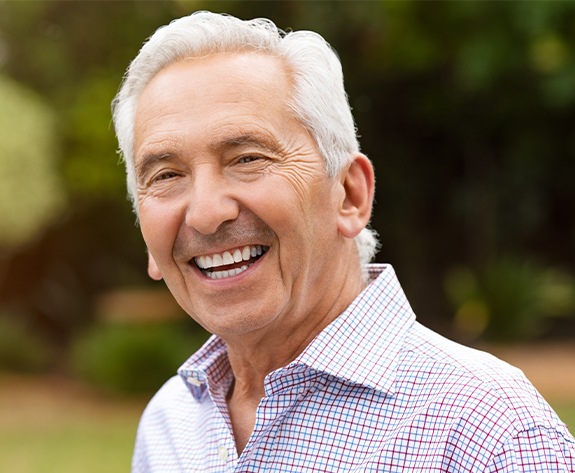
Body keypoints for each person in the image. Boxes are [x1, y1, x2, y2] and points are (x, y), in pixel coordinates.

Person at [112, 11, 575, 472]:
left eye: (248, 158)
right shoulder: (170, 421)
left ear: (350, 195)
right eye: (167, 175)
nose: (207, 213)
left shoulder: (490, 433)